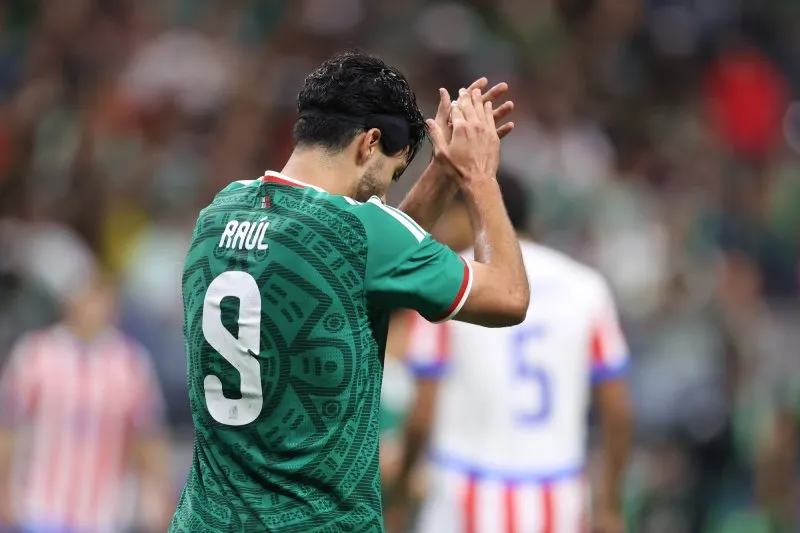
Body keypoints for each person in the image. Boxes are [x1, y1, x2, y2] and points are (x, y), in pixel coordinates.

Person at [170, 49, 529, 532]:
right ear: (370, 143)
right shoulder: (361, 232)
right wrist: (477, 176)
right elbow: (509, 296)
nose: (381, 194)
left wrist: (441, 170)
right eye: (392, 174)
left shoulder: (217, 213)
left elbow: (365, 259)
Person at [387, 173, 632, 533]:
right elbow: (617, 411)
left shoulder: (446, 279)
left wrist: (402, 488)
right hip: (557, 492)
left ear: (468, 211)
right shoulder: (587, 287)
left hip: (465, 490)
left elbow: (423, 413)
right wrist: (610, 503)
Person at [0, 273, 173, 533]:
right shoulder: (35, 353)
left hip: (103, 514)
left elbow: (148, 436)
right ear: (70, 303)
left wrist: (159, 496)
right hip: (40, 505)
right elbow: (8, 427)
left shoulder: (130, 362)